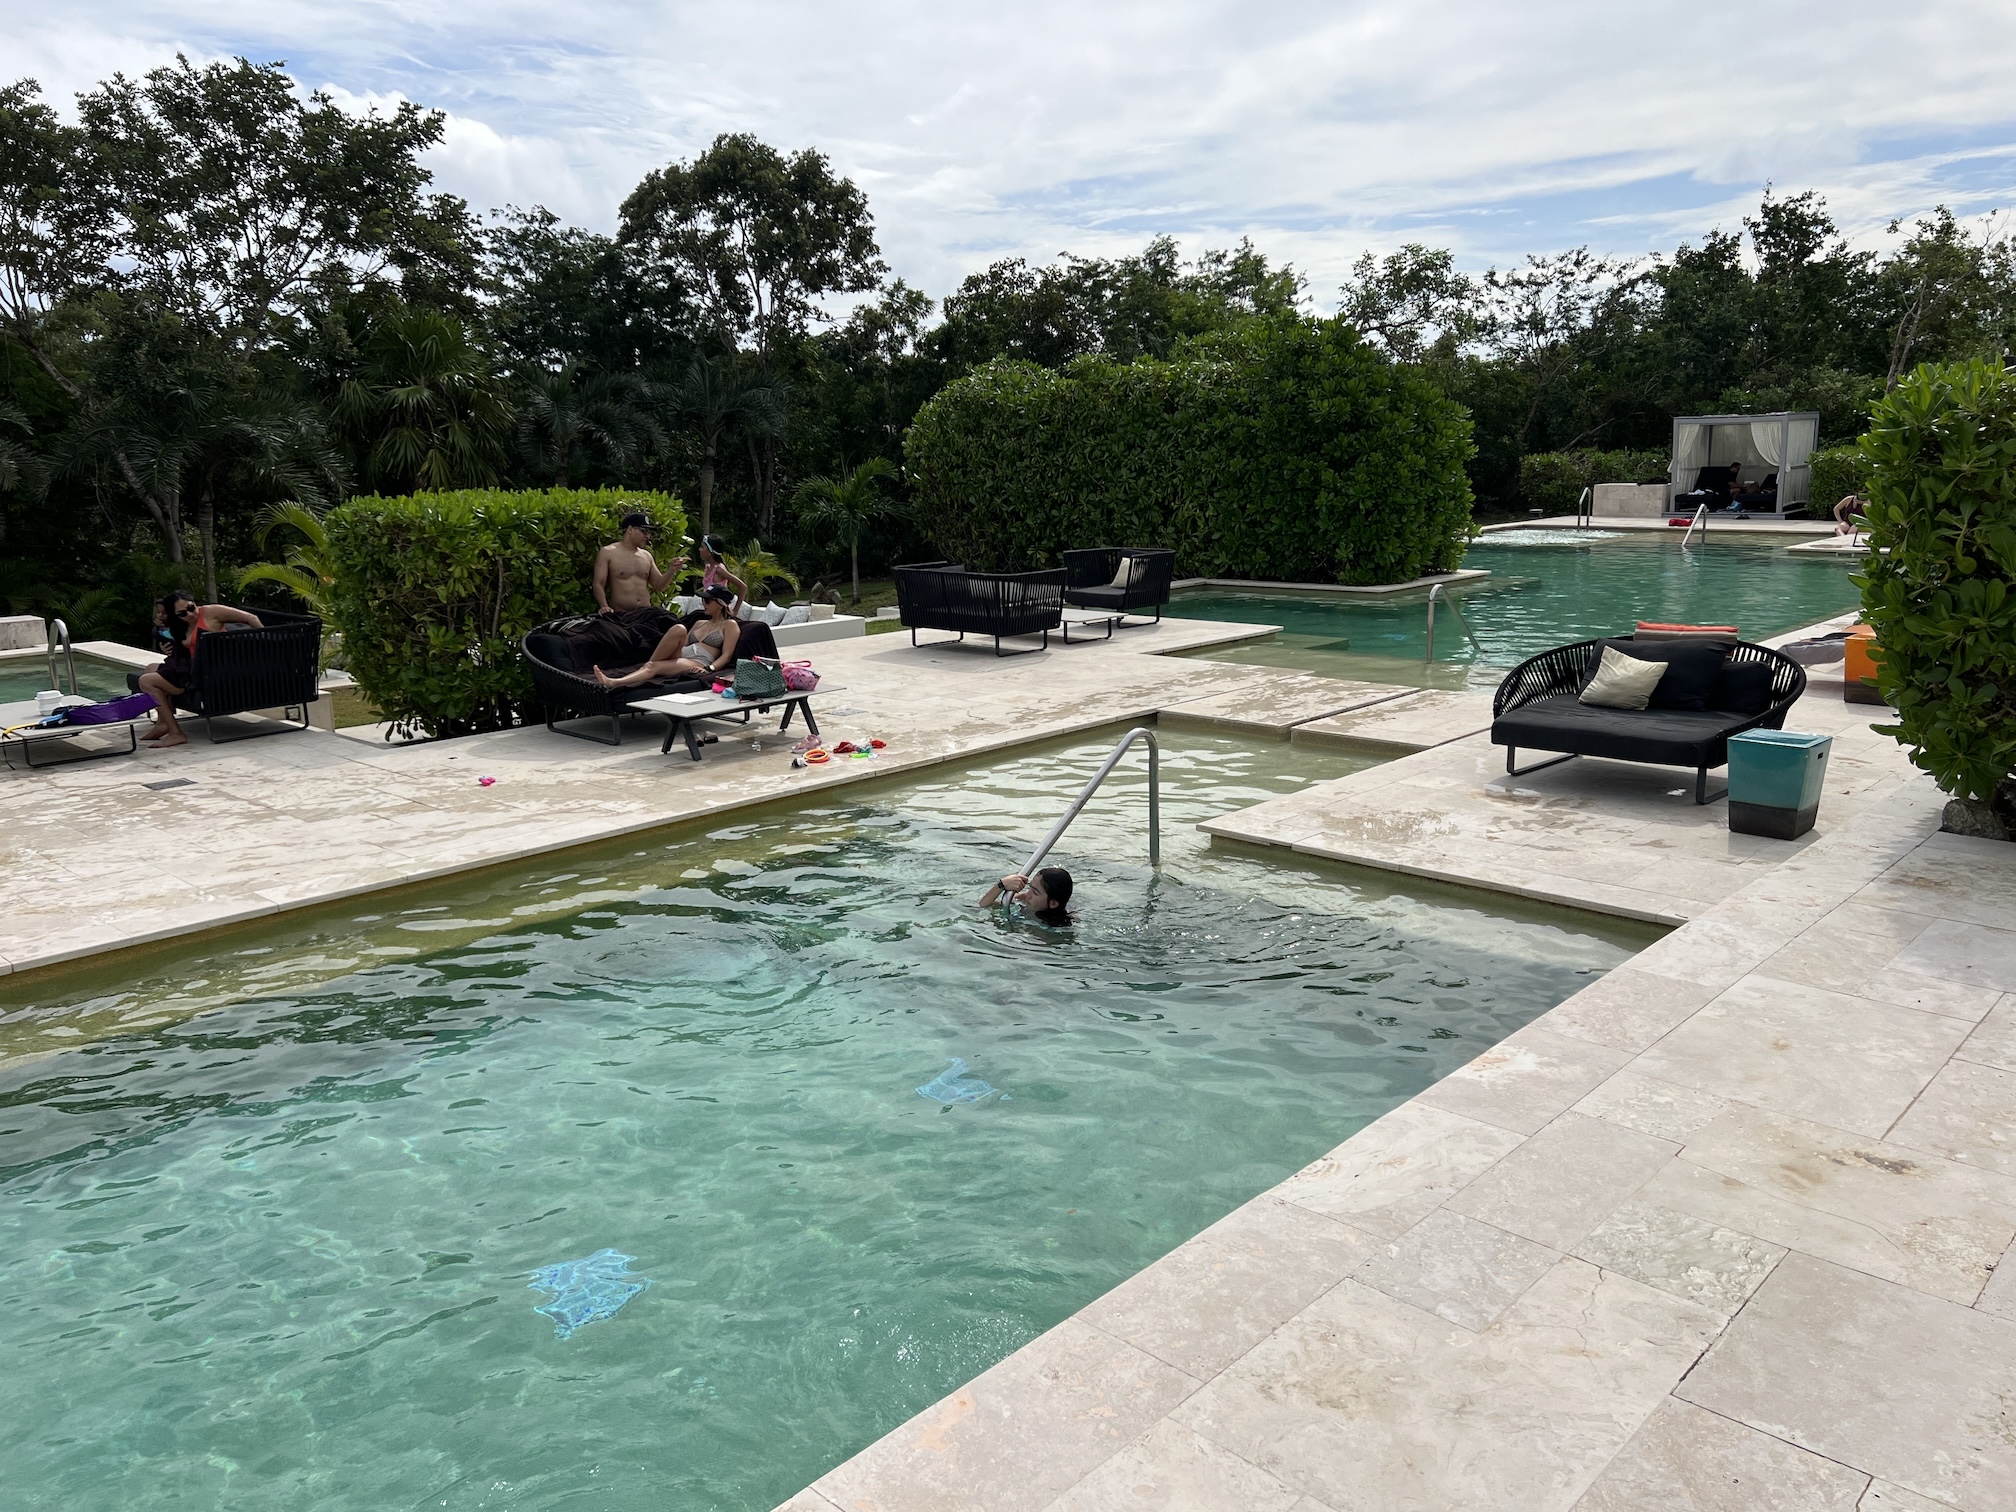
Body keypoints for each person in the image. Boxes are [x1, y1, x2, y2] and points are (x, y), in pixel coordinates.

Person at [138, 592, 264, 747]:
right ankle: (162, 722)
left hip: (209, 672)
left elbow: (251, 618)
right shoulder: (180, 624)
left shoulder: (212, 612)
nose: (190, 614)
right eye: (182, 613)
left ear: (194, 602)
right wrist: (167, 647)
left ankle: (176, 733)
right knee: (150, 669)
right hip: (191, 667)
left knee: (147, 682)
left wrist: (263, 647)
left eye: (191, 607)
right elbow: (172, 641)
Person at [592, 584, 741, 688]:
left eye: (708, 600)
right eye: (703, 599)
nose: (703, 603)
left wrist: (709, 669)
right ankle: (647, 668)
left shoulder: (729, 625)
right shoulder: (699, 623)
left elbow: (726, 656)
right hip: (682, 654)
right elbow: (682, 645)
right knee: (679, 628)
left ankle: (615, 682)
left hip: (698, 661)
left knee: (653, 666)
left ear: (720, 603)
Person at [593, 513, 687, 614]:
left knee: (677, 627)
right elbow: (598, 583)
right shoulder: (608, 552)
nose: (647, 536)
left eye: (648, 532)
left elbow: (659, 586)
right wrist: (604, 606)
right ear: (630, 529)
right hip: (621, 614)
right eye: (644, 531)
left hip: (646, 612)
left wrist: (671, 570)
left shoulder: (646, 556)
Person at [980, 867, 1075, 925]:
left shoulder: (1042, 930)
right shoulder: (1028, 903)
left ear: (1053, 903)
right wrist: (1001, 885)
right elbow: (983, 905)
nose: (1027, 894)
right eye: (1030, 888)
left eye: (1035, 892)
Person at [693, 534, 747, 613]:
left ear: (710, 551)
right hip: (711, 612)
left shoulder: (719, 570)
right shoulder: (708, 567)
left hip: (721, 613)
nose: (699, 549)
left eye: (702, 547)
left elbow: (743, 587)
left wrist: (735, 611)